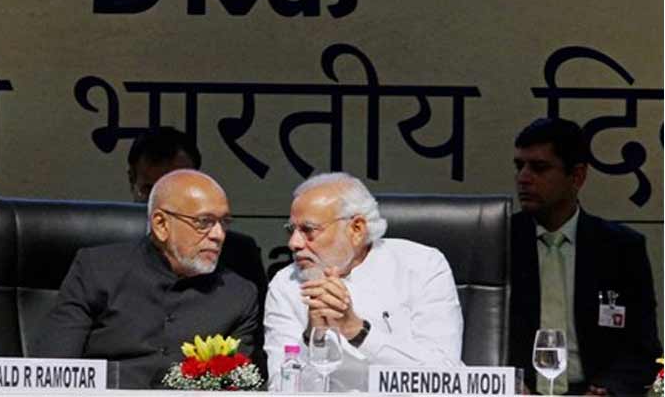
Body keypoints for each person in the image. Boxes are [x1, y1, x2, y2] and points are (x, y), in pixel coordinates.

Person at [31, 170, 261, 388]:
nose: (218, 235)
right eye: (204, 222)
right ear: (161, 224)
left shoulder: (239, 295)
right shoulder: (97, 270)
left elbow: (235, 386)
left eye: (224, 222)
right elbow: (53, 370)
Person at [264, 172, 463, 392]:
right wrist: (314, 338)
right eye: (291, 230)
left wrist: (357, 331)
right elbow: (280, 390)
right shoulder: (286, 284)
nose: (294, 243)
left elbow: (446, 376)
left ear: (357, 229)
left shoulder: (421, 265)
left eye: (308, 230)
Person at [509, 118, 661, 395]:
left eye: (539, 167)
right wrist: (506, 383)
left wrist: (608, 390)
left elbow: (643, 350)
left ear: (577, 176)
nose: (524, 178)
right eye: (520, 166)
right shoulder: (499, 242)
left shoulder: (621, 248)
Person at [126, 128, 268, 311]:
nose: (167, 201)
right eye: (151, 190)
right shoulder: (103, 257)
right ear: (132, 181)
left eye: (180, 187)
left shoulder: (237, 253)